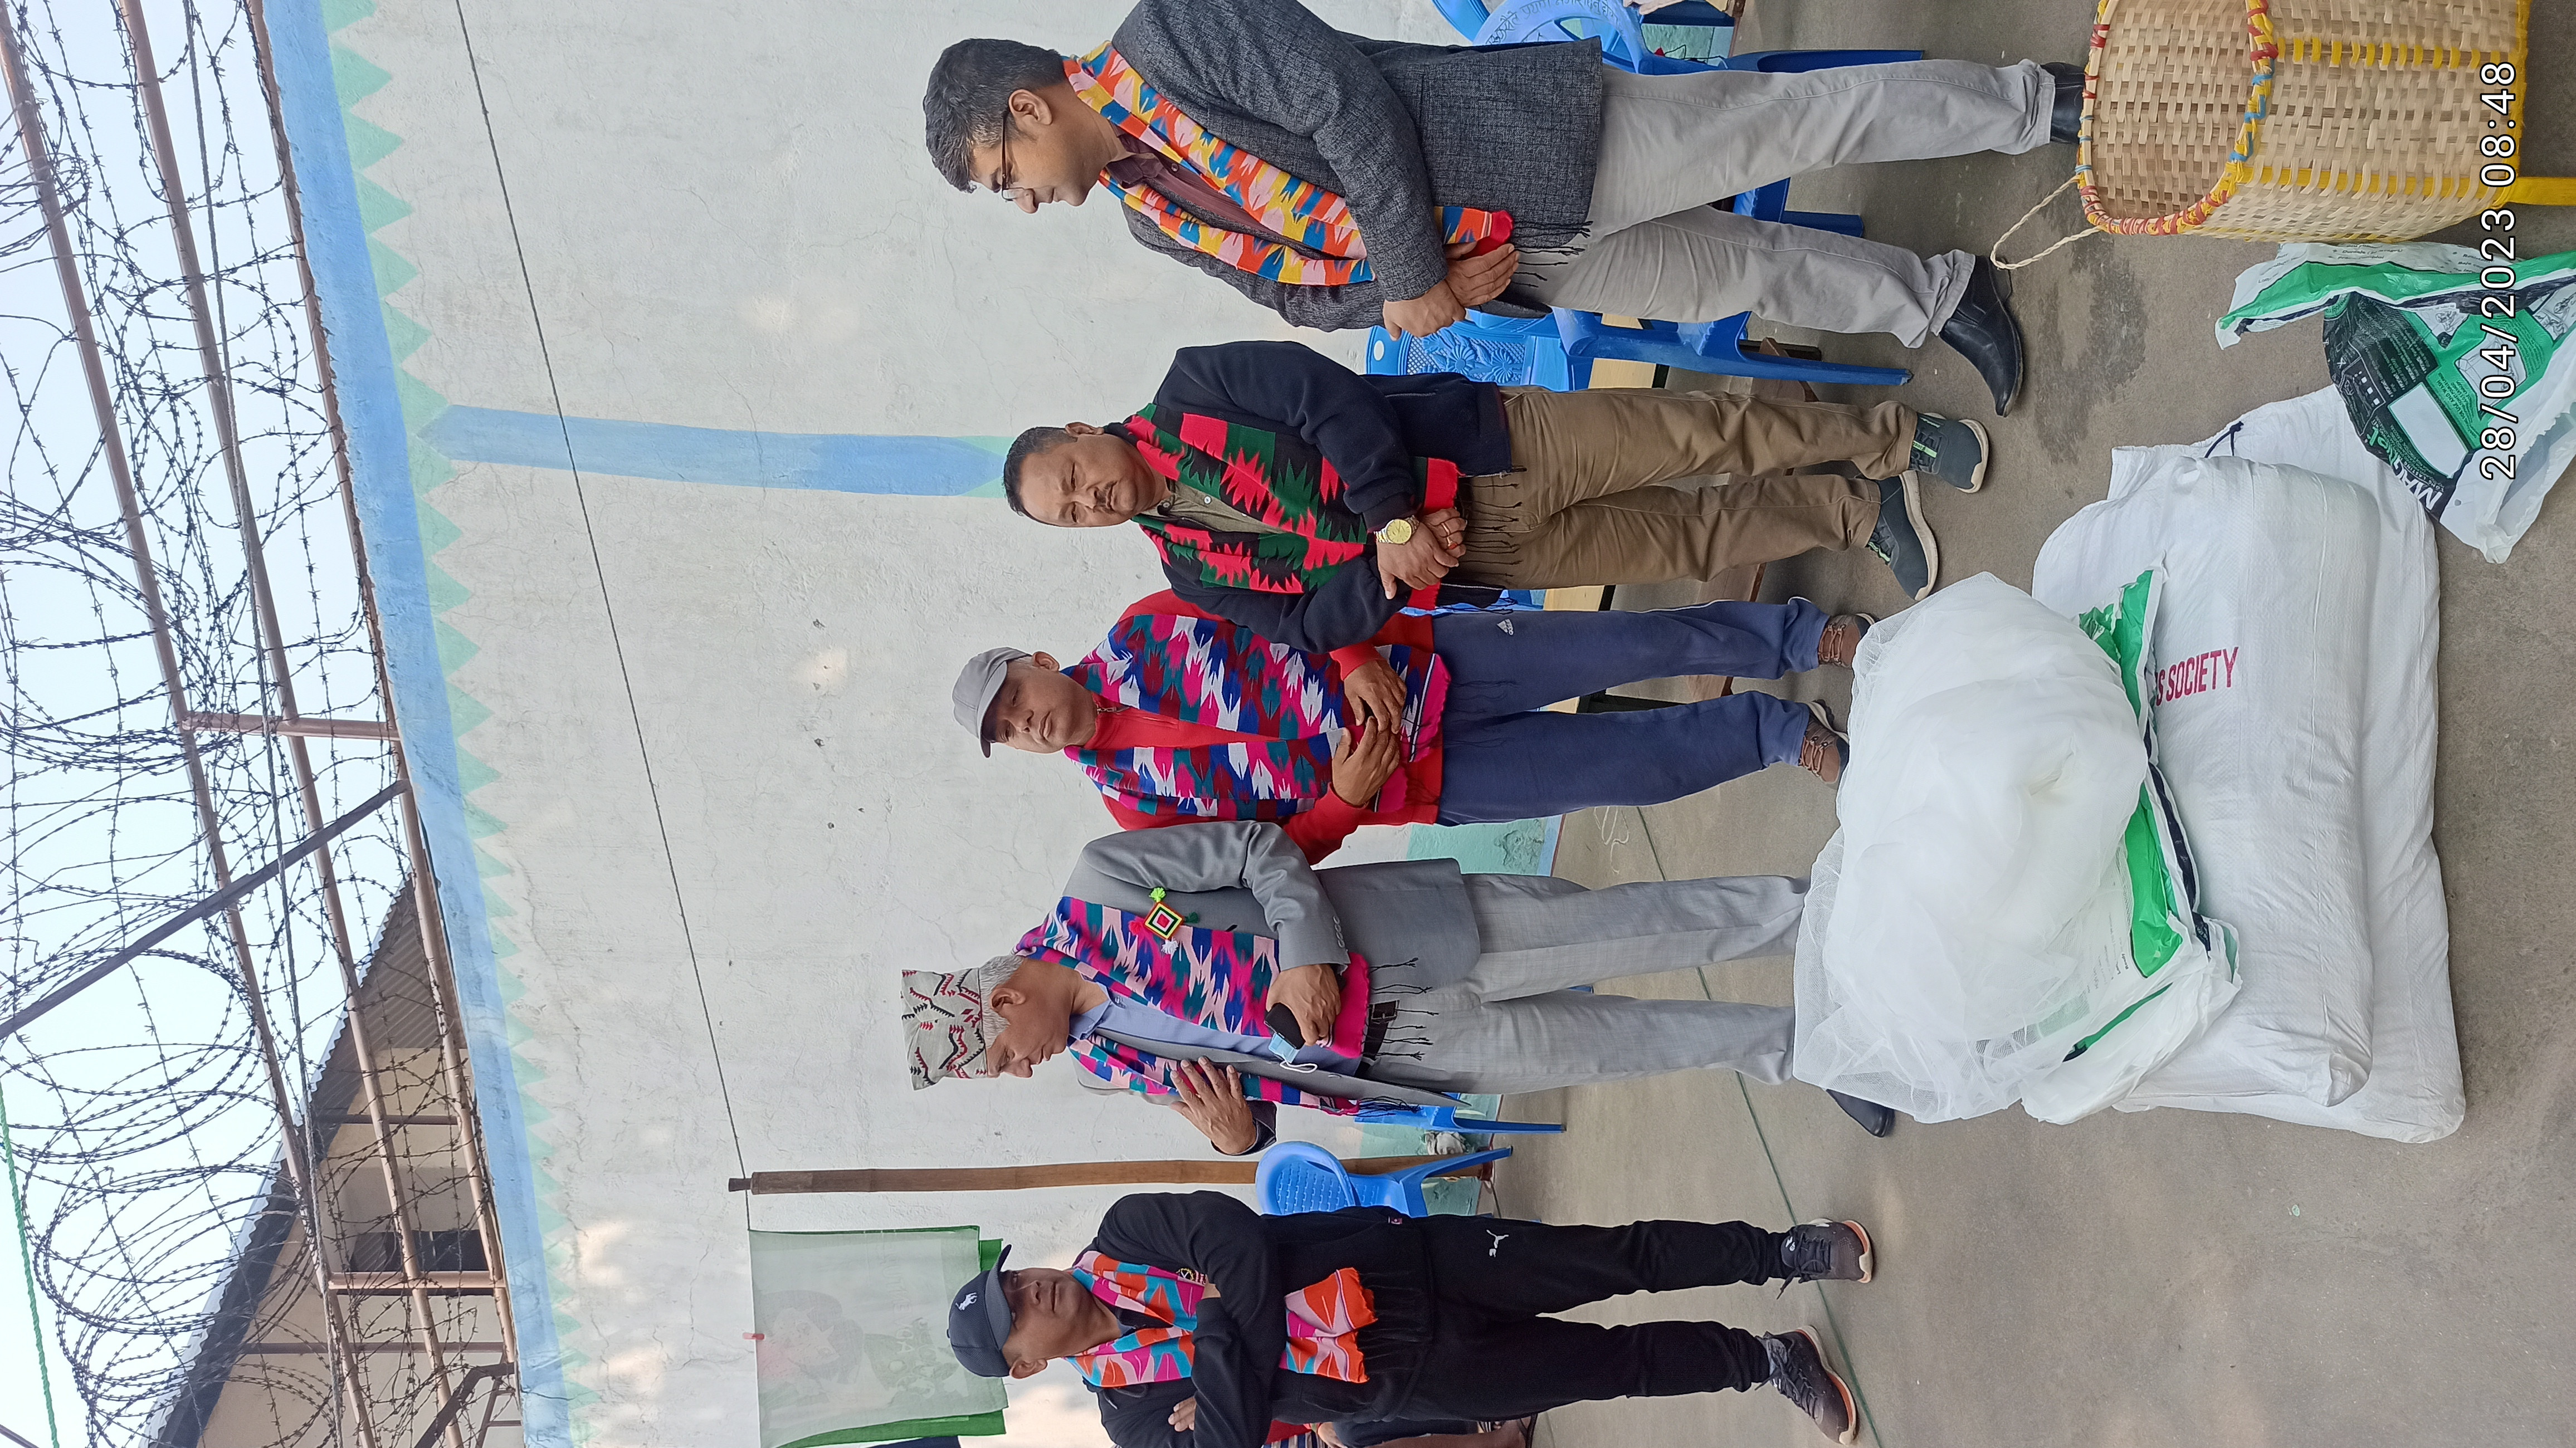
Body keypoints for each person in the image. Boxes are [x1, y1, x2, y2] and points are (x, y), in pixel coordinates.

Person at [922, 0, 2090, 413]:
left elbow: (1344, 105)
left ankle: (2035, 103)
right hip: (1515, 267)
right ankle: (1938, 297)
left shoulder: (1175, 31)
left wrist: (1414, 278)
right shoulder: (1148, 216)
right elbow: (1288, 296)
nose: (1024, 204)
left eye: (1003, 177)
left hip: (1540, 145)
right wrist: (1420, 292)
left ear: (1027, 108)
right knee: (1746, 275)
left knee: (1798, 125)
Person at [899, 819, 1897, 1143]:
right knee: (1627, 1046)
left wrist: (1303, 955)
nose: (1021, 1071)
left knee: (1640, 928)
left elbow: (1257, 850)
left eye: (1000, 1059)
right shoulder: (1108, 1065)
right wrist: (1243, 1138)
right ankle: (1815, 1049)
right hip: (1401, 1052)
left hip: (1412, 943)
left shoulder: (1103, 886)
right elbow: (1253, 1086)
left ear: (1002, 1001)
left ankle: (1842, 910)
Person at [999, 340, 1984, 653]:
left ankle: (1893, 438)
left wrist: (1391, 519)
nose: (1092, 501)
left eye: (1074, 480)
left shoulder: (1192, 386)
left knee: (1704, 433)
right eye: (1072, 515)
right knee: (1689, 540)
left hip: (1495, 449)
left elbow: (1324, 399)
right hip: (1475, 553)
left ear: (1084, 432)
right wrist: (1395, 566)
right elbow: (1302, 626)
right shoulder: (1188, 568)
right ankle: (1858, 514)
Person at [951, 588, 1867, 865]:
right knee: (1632, 770)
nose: (1027, 722)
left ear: (1039, 659)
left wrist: (1356, 658)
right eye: (1011, 732)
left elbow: (1287, 594)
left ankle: (1796, 635)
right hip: (1425, 782)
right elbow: (1265, 859)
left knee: (1629, 642)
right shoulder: (1133, 807)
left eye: (1015, 697)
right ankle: (1777, 734)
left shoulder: (1147, 627)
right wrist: (1344, 802)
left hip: (1428, 664)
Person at [941, 1192, 1876, 1445]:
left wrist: (1231, 1373)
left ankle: (1779, 1252)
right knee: (1614, 1368)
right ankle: (1766, 1360)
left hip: (1416, 1264)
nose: (1031, 1291)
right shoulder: (1133, 1420)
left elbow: (1234, 1239)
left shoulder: (1124, 1235)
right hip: (1411, 1379)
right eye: (1013, 1314)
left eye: (1015, 1279)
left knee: (1617, 1258)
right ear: (1024, 1366)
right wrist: (1223, 1310)